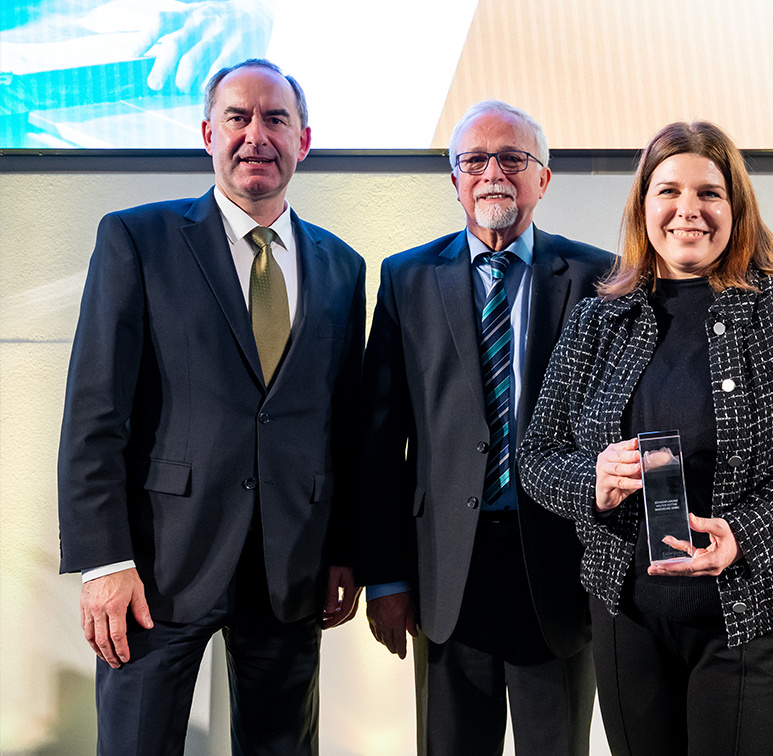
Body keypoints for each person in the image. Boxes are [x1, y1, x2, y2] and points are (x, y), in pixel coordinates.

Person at [519, 121, 773, 756]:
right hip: (629, 611)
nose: (689, 211)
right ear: (643, 206)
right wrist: (589, 481)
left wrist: (750, 532)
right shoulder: (600, 315)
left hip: (765, 610)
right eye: (668, 192)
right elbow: (539, 454)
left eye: (709, 193)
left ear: (736, 207)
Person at [57, 58, 364, 754]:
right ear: (207, 132)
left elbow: (342, 425)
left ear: (303, 140)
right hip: (158, 569)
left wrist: (347, 551)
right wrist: (104, 562)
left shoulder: (342, 266)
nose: (257, 134)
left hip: (291, 569)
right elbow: (94, 414)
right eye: (238, 117)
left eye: (276, 118)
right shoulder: (137, 240)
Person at [356, 100, 613, 756]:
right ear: (455, 180)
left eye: (512, 159)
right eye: (475, 160)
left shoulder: (599, 278)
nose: (493, 172)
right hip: (446, 576)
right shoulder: (407, 278)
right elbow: (380, 444)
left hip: (560, 572)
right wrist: (385, 577)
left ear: (543, 177)